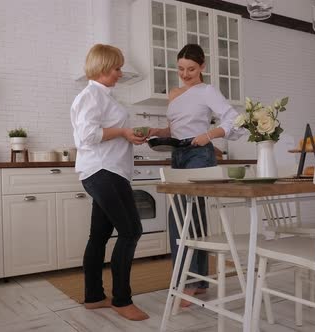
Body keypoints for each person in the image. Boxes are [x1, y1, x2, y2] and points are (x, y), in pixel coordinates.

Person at [148, 44, 245, 306]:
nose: (185, 73)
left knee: (182, 217)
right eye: (180, 68)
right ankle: (198, 281)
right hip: (179, 155)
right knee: (193, 219)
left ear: (202, 67)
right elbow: (176, 128)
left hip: (200, 155)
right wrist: (154, 131)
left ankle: (187, 284)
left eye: (191, 69)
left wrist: (209, 136)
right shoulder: (174, 94)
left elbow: (235, 121)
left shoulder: (207, 91)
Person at [70, 44, 149, 321]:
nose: (120, 73)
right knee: (131, 231)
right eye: (117, 68)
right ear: (103, 68)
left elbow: (108, 132)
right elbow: (87, 136)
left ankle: (93, 297)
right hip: (103, 171)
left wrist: (129, 134)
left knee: (100, 236)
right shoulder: (91, 96)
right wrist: (124, 132)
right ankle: (122, 300)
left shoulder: (103, 96)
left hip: (108, 170)